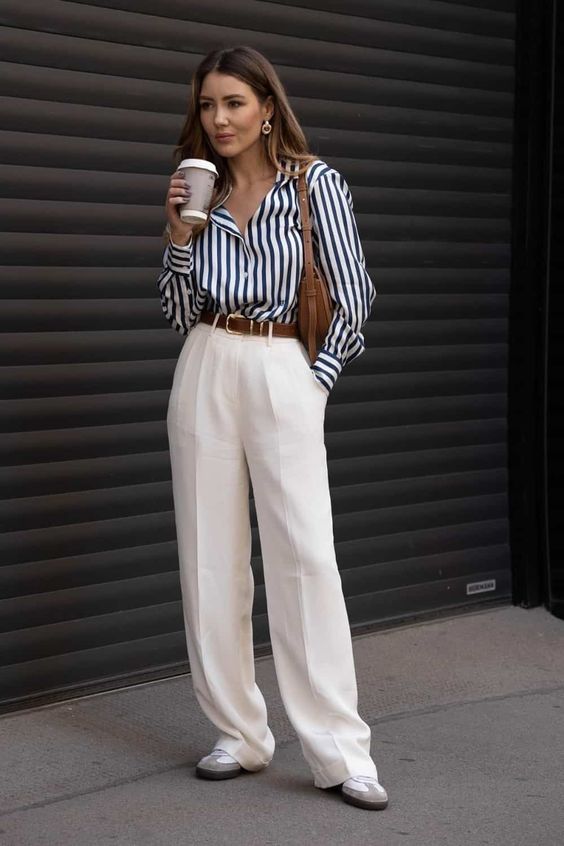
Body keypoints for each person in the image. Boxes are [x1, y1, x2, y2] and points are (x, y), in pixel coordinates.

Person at [156, 44, 388, 811]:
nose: (218, 119)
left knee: (305, 560)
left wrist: (310, 386)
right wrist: (179, 240)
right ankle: (239, 733)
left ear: (265, 107)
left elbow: (353, 299)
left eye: (232, 103)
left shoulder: (316, 184)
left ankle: (338, 750)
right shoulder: (201, 190)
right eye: (207, 106)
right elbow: (173, 310)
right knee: (209, 558)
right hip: (205, 362)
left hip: (284, 363)